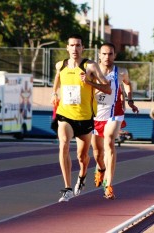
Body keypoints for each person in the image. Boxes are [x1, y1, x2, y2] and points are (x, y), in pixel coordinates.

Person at [50, 34, 111, 202]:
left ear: (83, 48)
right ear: (67, 48)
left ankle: (82, 177)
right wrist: (54, 92)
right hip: (65, 115)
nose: (75, 49)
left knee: (82, 158)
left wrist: (90, 83)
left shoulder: (90, 66)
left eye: (78, 45)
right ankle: (67, 188)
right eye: (72, 45)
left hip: (85, 118)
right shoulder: (60, 65)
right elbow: (57, 78)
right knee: (63, 144)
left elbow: (107, 88)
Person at [91, 42, 139, 200]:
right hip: (95, 115)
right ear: (99, 55)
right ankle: (100, 168)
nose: (107, 57)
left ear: (114, 55)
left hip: (115, 113)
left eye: (110, 54)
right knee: (98, 153)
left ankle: (109, 185)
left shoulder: (121, 72)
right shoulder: (91, 71)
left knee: (109, 142)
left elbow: (127, 85)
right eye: (104, 54)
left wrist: (130, 100)